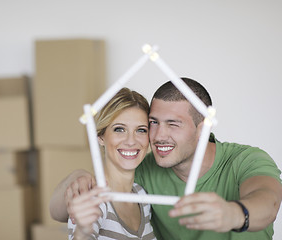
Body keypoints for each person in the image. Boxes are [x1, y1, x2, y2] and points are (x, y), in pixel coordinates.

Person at [50, 78, 282, 240]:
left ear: (202, 128)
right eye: (153, 123)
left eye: (173, 124)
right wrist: (78, 176)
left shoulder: (246, 159)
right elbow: (60, 213)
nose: (159, 136)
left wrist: (233, 214)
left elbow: (268, 202)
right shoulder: (143, 172)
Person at [67, 87, 156, 240]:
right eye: (119, 129)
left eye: (141, 130)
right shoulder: (93, 199)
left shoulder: (142, 196)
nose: (131, 141)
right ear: (100, 136)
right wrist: (82, 232)